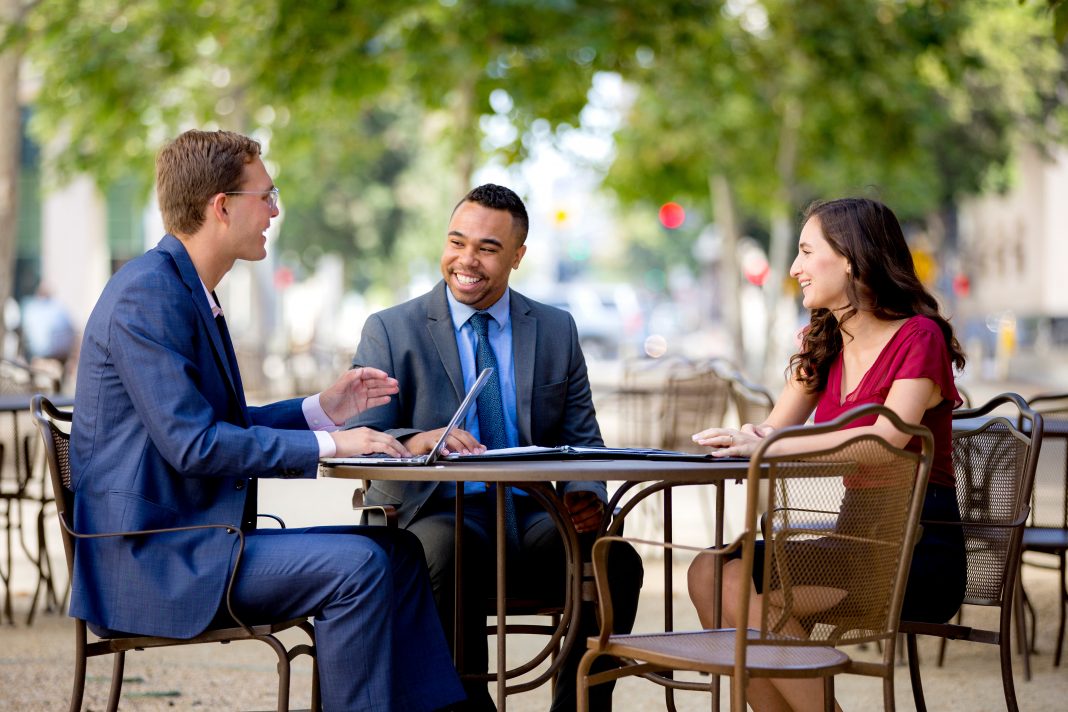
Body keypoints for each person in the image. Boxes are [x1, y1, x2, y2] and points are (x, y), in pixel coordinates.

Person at [70, 129, 464, 712]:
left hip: (197, 538)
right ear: (221, 206)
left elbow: (220, 424)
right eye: (266, 194)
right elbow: (196, 446)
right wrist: (330, 445)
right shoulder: (147, 295)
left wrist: (322, 410)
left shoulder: (184, 288)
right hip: (155, 559)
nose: (275, 210)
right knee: (358, 568)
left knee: (398, 552)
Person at [347, 184, 643, 712]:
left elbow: (582, 437)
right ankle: (465, 705)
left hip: (535, 512)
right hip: (438, 511)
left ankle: (577, 705)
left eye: (486, 248)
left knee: (615, 560)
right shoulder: (391, 331)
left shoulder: (556, 329)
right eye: (456, 242)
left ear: (517, 256)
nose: (466, 260)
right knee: (442, 551)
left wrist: (585, 492)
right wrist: (417, 440)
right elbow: (363, 440)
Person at [688, 197, 967, 712]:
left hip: (915, 544)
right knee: (710, 572)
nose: (794, 269)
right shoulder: (823, 342)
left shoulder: (918, 337)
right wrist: (743, 437)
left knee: (744, 594)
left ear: (851, 259)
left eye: (805, 251)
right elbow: (775, 429)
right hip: (853, 536)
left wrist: (768, 443)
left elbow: (885, 441)